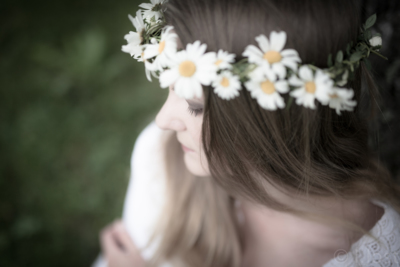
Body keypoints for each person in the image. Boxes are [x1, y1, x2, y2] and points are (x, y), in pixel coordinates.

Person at [93, 0, 400, 266]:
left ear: (270, 118)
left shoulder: (376, 255)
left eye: (194, 105)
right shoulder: (163, 159)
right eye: (171, 86)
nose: (163, 119)